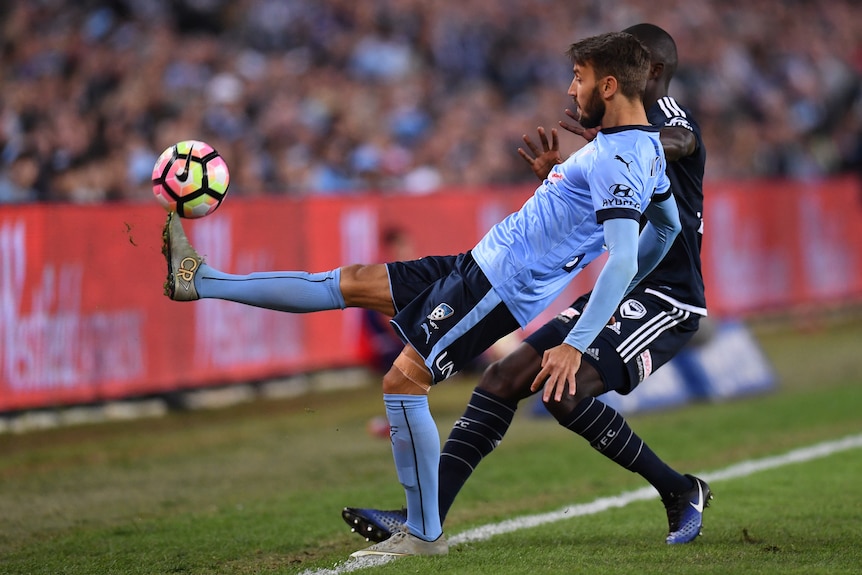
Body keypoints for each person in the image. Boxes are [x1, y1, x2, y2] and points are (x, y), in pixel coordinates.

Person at [162, 31, 680, 557]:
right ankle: (200, 280)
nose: (573, 90)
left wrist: (576, 342)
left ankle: (425, 533)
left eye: (580, 78)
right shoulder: (640, 150)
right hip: (476, 264)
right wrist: (559, 182)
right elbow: (665, 229)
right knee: (353, 280)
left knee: (403, 380)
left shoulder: (620, 159)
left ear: (610, 85)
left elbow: (624, 255)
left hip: (497, 288)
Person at [342, 23, 712, 547]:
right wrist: (570, 172)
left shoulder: (664, 121)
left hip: (663, 296)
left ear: (648, 71)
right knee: (502, 378)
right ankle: (419, 516)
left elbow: (682, 141)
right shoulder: (614, 135)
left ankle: (680, 491)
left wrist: (631, 144)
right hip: (622, 286)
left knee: (564, 391)